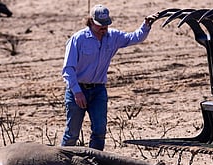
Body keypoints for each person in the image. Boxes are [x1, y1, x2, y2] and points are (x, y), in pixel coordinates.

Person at [60, 4, 159, 150]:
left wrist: (146, 25)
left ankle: (95, 164)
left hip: (98, 90)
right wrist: (77, 92)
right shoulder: (78, 39)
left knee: (99, 131)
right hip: (78, 90)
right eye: (100, 25)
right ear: (91, 22)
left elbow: (134, 37)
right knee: (72, 134)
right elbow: (68, 69)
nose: (104, 28)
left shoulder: (113, 37)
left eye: (106, 24)